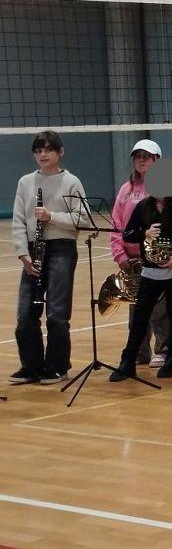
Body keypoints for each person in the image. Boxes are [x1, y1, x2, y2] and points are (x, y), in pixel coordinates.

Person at [10, 131, 85, 385]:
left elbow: (82, 218)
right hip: (33, 250)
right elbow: (19, 220)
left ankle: (57, 366)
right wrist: (22, 253)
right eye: (38, 151)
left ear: (60, 152)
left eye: (48, 150)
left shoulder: (71, 181)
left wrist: (51, 217)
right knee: (26, 313)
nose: (43, 154)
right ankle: (31, 365)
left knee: (56, 313)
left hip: (61, 248)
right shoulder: (25, 182)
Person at [110, 188, 172, 381]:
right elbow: (128, 234)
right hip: (150, 271)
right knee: (140, 317)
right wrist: (145, 233)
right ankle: (128, 361)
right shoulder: (143, 206)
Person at [110, 140, 170, 366]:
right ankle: (139, 351)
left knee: (160, 308)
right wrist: (120, 254)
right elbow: (117, 224)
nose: (141, 160)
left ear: (157, 160)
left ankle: (164, 350)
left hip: (156, 258)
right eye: (138, 156)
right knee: (136, 308)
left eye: (146, 156)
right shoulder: (125, 190)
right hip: (132, 260)